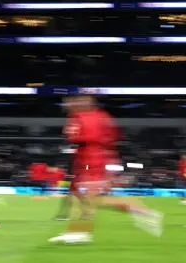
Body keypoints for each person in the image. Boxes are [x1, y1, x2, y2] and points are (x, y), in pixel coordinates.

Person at [49, 95, 163, 244]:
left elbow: (74, 137)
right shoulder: (104, 116)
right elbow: (113, 139)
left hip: (90, 160)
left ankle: (141, 211)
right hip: (97, 158)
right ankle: (78, 233)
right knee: (79, 198)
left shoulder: (78, 117)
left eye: (69, 103)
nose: (66, 105)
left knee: (91, 199)